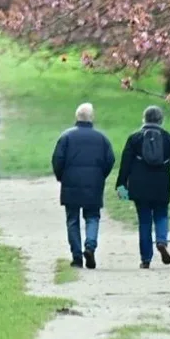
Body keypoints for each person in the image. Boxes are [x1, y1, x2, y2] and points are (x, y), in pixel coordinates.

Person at [115, 105, 170, 269]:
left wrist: (121, 185)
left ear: (144, 119)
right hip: (162, 185)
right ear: (161, 120)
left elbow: (125, 164)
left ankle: (145, 259)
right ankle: (161, 241)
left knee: (144, 221)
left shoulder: (134, 139)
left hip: (139, 187)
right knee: (162, 214)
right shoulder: (169, 139)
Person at [52, 103, 115, 269]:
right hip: (94, 184)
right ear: (91, 117)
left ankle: (77, 257)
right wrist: (100, 176)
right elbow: (110, 160)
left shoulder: (66, 137)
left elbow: (57, 160)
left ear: (77, 117)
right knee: (92, 217)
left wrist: (61, 177)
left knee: (72, 220)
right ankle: (90, 246)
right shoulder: (101, 139)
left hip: (70, 183)